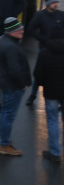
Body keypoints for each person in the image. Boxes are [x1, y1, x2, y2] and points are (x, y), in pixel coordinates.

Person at [0, 17, 31, 156]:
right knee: (9, 115)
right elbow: (15, 70)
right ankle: (4, 145)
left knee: (6, 113)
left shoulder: (2, 40)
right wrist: (22, 85)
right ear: (12, 31)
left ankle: (5, 141)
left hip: (6, 83)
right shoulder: (10, 47)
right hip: (13, 86)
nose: (22, 30)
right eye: (19, 29)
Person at [27, 0, 64, 107]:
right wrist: (42, 39)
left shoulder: (61, 15)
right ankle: (33, 95)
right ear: (48, 4)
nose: (56, 4)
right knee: (40, 73)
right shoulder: (40, 15)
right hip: (44, 49)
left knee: (59, 73)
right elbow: (31, 29)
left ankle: (60, 98)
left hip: (60, 49)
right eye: (54, 3)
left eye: (57, 2)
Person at [32, 34, 64, 163]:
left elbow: (37, 73)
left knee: (52, 121)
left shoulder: (45, 53)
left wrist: (43, 84)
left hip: (51, 92)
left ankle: (55, 152)